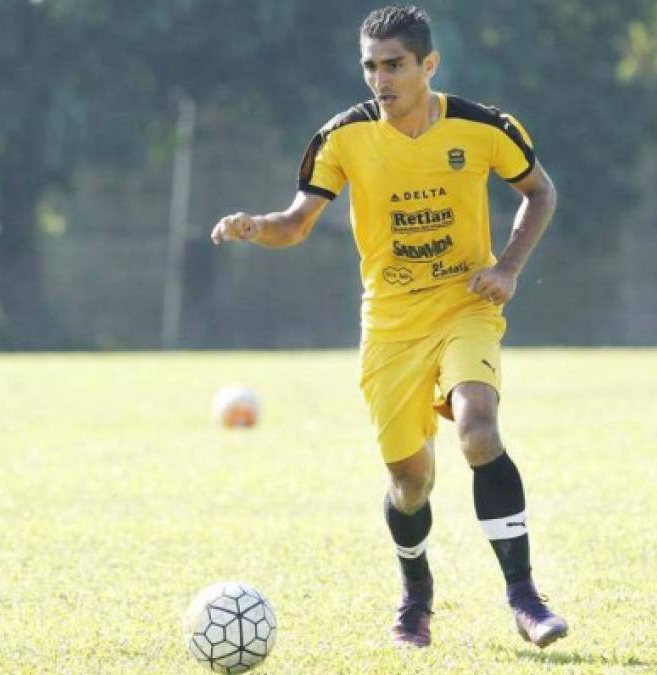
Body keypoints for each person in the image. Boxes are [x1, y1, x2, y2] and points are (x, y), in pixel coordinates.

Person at [211, 5, 567, 649]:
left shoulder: (484, 127)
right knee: (410, 484)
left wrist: (508, 267)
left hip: (466, 305)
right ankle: (416, 598)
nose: (381, 79)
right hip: (391, 327)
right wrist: (255, 227)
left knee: (479, 431)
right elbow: (295, 223)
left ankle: (525, 599)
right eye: (371, 66)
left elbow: (540, 192)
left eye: (395, 65)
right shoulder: (340, 137)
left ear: (429, 65)